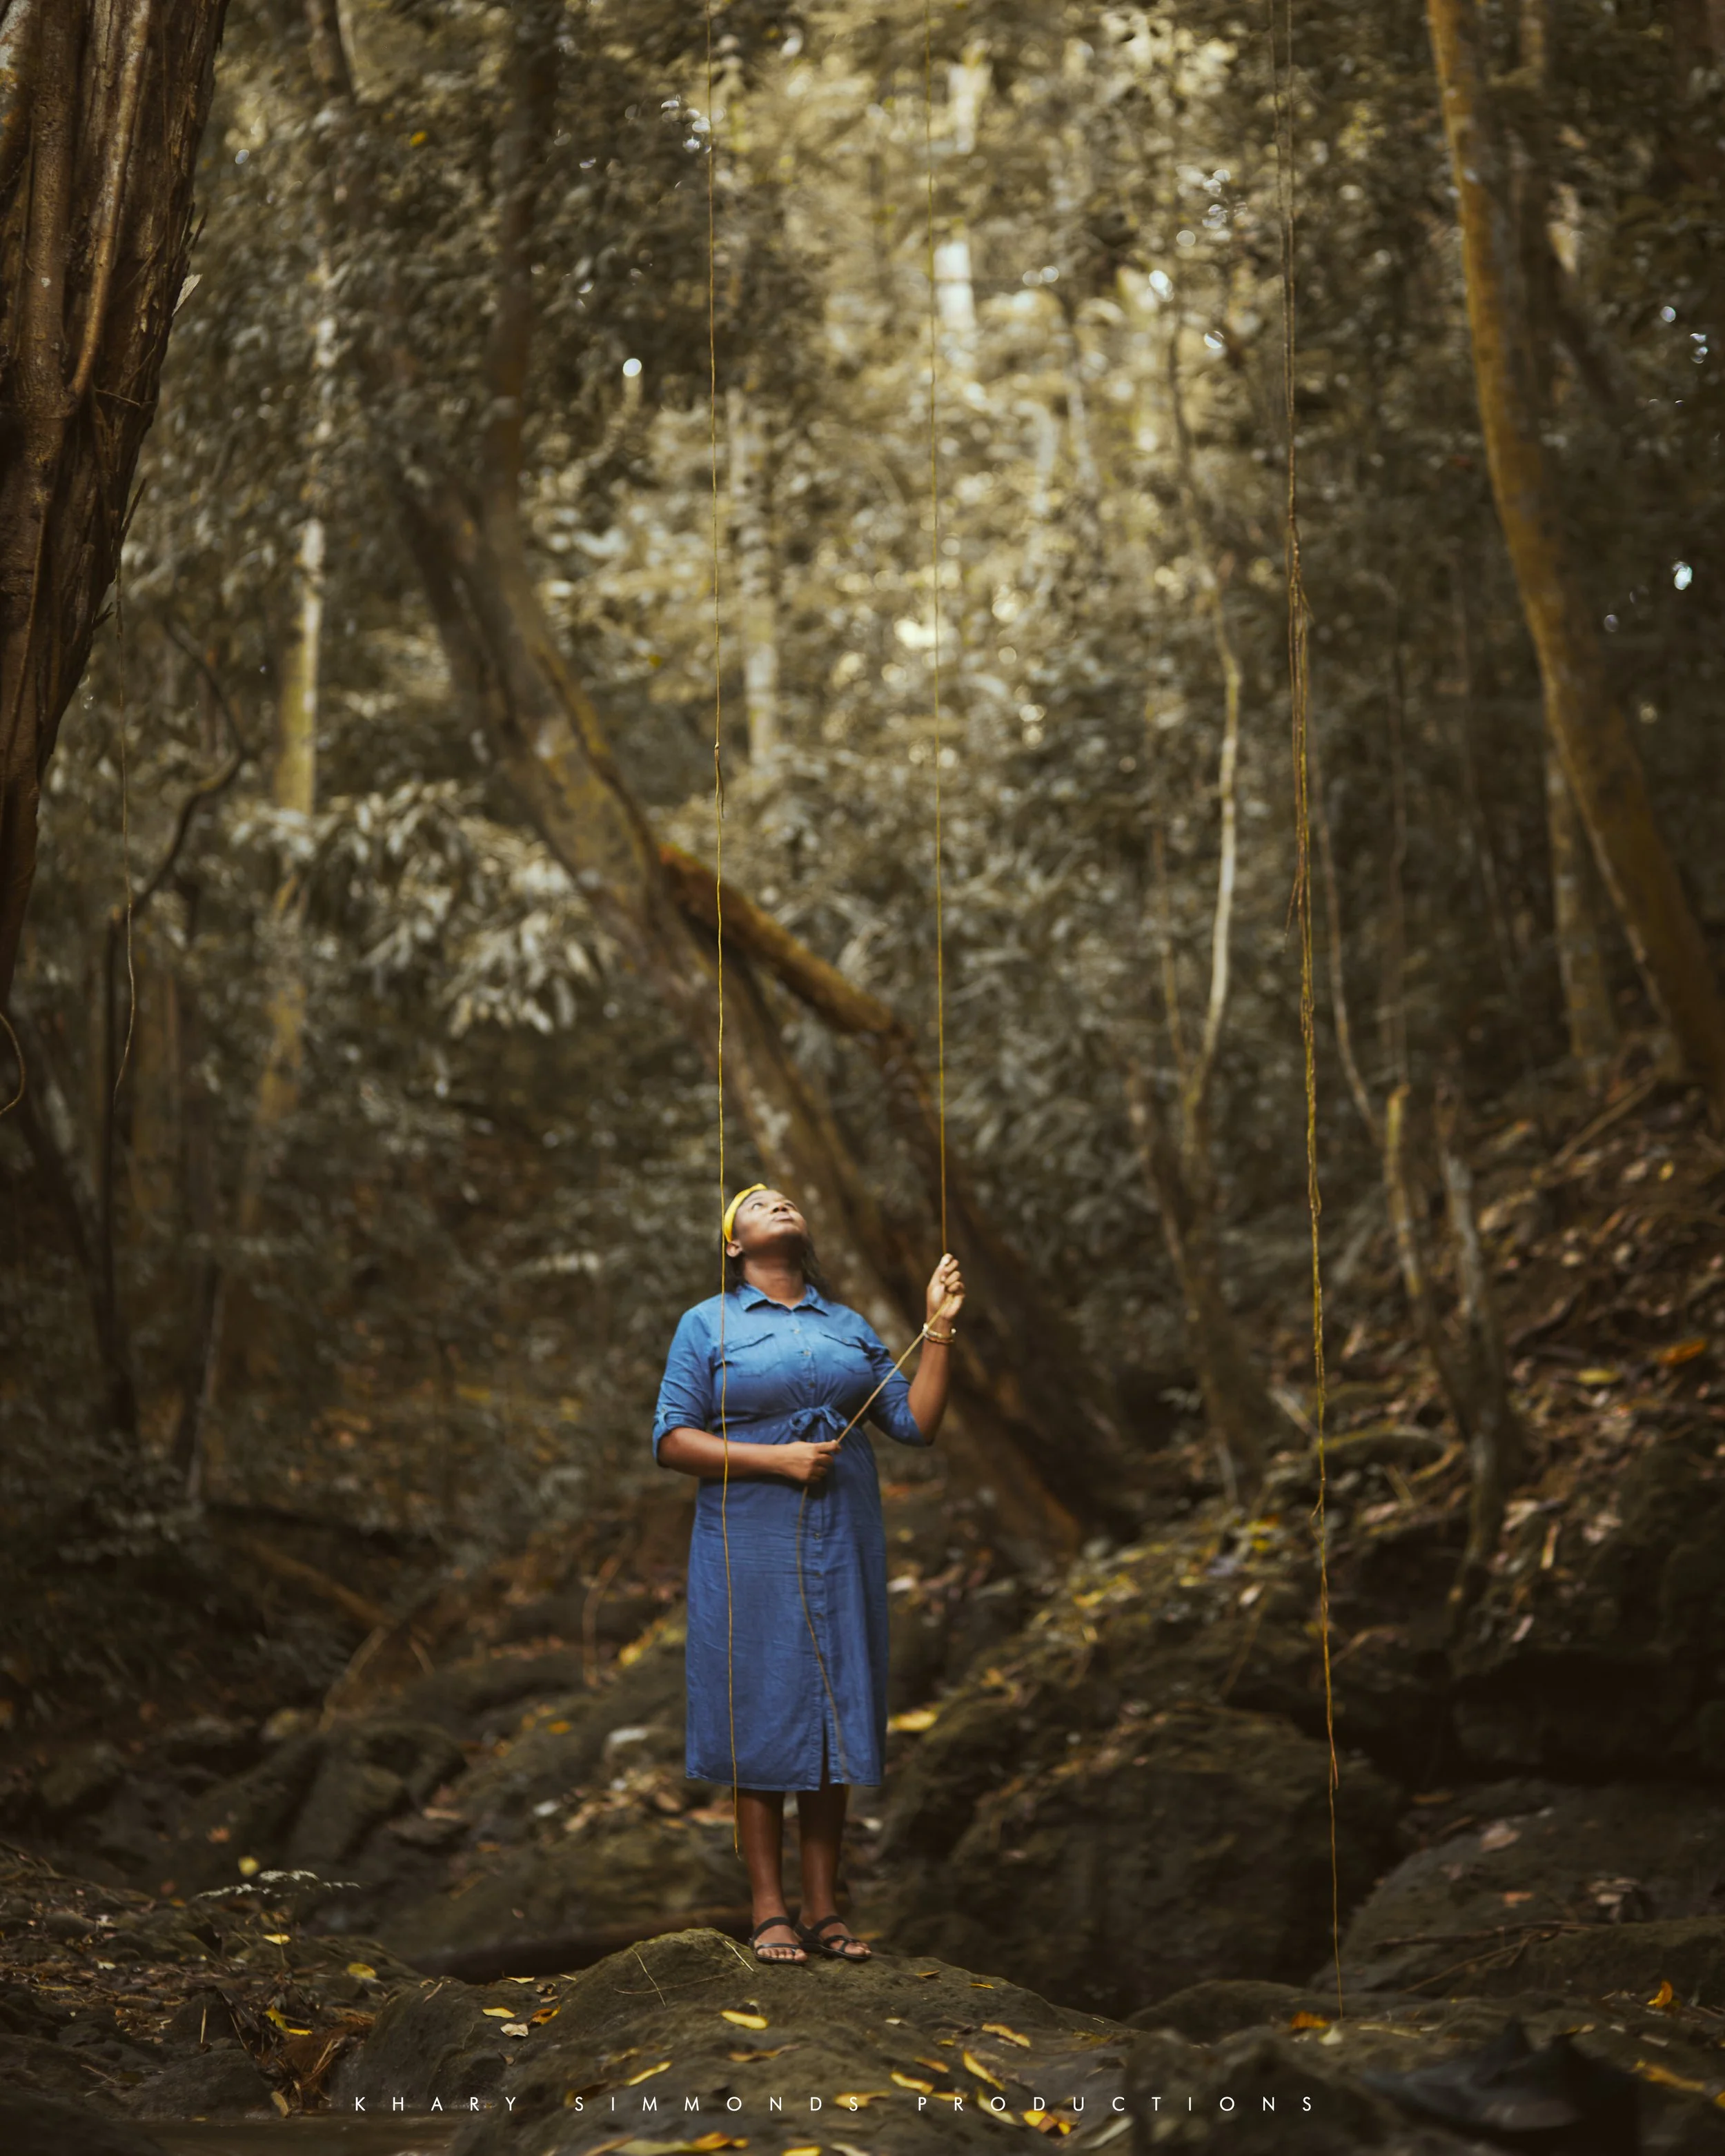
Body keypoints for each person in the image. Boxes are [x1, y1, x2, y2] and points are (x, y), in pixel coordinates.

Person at [653, 1184, 965, 1964]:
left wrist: (937, 1331)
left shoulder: (847, 1324)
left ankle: (826, 1907)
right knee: (761, 1696)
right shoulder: (707, 1322)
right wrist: (775, 1458)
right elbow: (671, 1438)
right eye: (758, 1202)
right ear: (734, 1244)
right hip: (747, 1532)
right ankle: (767, 1908)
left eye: (788, 1198)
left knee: (834, 1696)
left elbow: (915, 1425)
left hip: (843, 1529)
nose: (779, 1202)